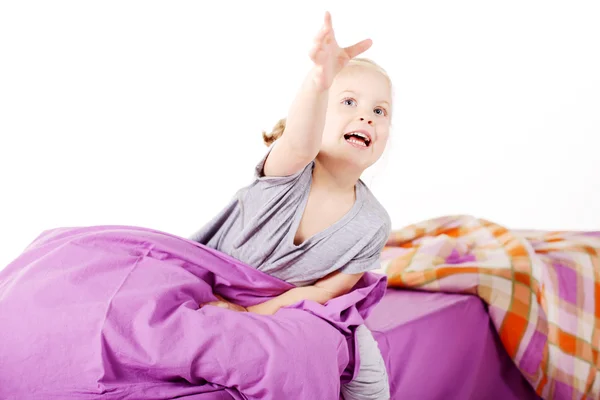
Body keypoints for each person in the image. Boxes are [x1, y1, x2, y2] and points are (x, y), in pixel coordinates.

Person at [190, 11, 392, 400]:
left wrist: (251, 317)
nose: (366, 115)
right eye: (348, 101)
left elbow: (323, 294)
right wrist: (320, 80)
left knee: (363, 358)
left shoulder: (372, 223)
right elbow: (300, 140)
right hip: (214, 282)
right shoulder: (288, 171)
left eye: (380, 111)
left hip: (281, 305)